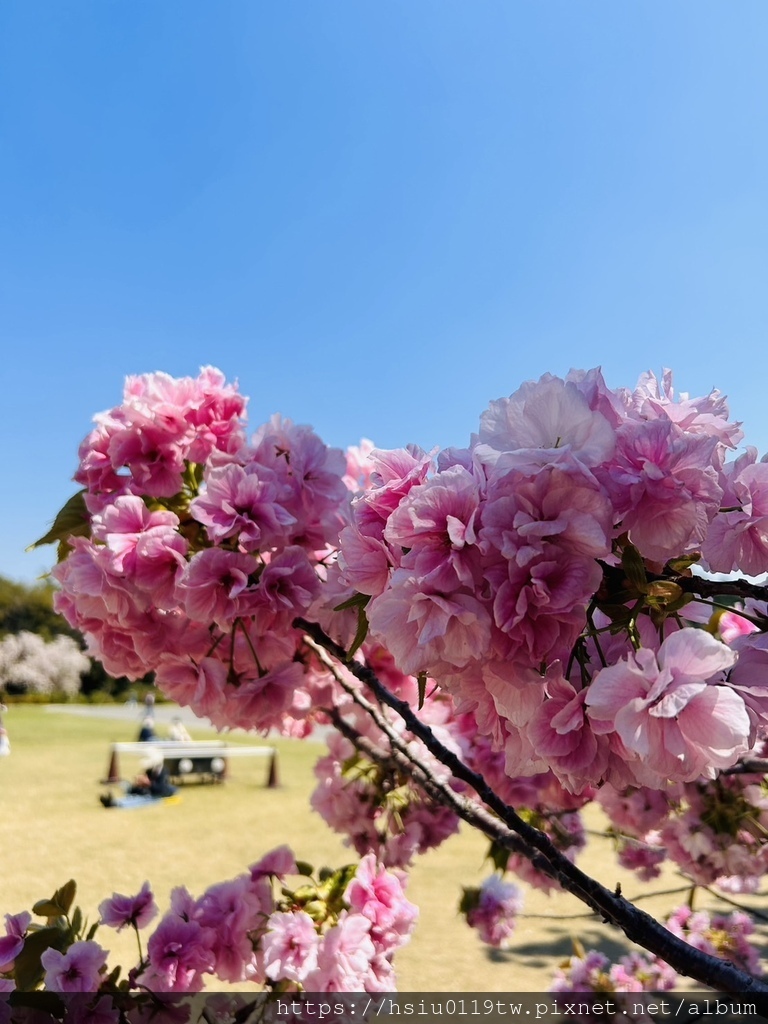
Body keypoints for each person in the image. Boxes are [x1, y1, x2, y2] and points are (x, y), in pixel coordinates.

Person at [100, 750, 176, 807]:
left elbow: (161, 789)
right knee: (126, 786)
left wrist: (148, 784)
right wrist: (138, 784)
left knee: (142, 800)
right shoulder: (150, 770)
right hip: (148, 793)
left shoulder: (163, 772)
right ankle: (114, 801)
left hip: (159, 795)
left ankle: (116, 804)